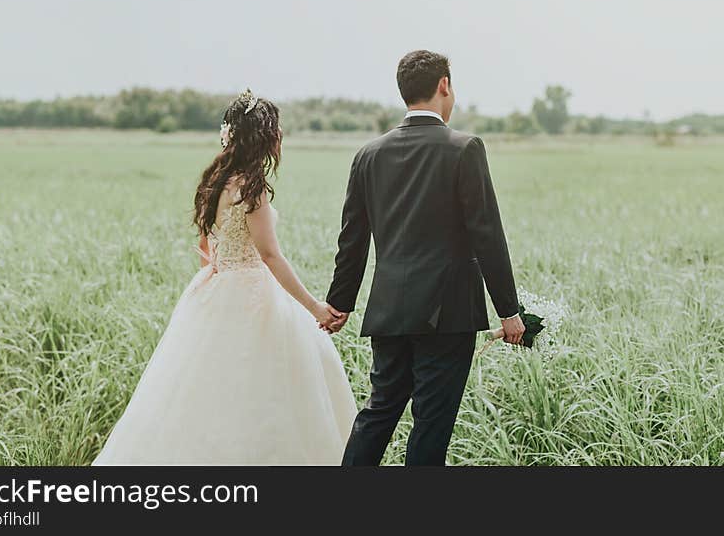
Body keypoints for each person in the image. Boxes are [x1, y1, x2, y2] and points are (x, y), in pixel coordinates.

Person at [93, 89, 356, 465]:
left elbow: (205, 247)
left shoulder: (214, 182)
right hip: (252, 291)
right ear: (265, 139)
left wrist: (219, 282)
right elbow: (270, 255)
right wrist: (315, 307)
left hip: (214, 287)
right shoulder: (252, 190)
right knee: (264, 393)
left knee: (204, 391)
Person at [323, 50, 526, 466]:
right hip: (448, 315)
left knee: (378, 414)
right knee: (430, 427)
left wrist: (340, 303)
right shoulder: (464, 148)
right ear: (444, 85)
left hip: (389, 312)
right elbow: (487, 235)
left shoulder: (368, 154)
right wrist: (509, 310)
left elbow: (353, 240)